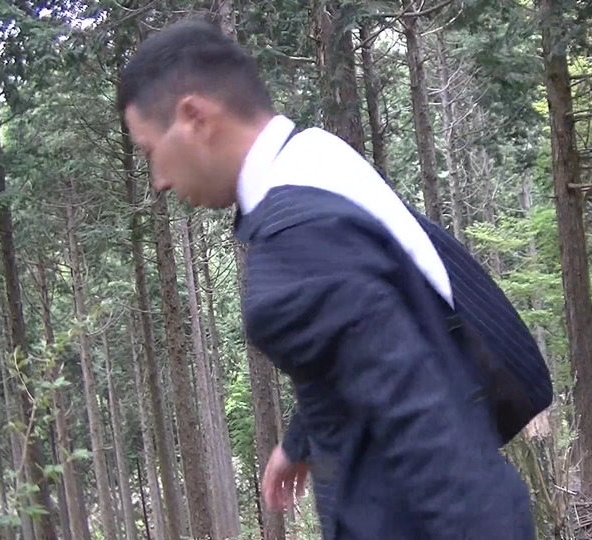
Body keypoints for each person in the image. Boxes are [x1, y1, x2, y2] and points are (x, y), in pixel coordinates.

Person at [118, 19, 537, 540]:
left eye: (151, 151)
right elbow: (375, 336)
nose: (158, 180)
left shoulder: (297, 243)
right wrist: (301, 439)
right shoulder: (315, 158)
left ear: (195, 117)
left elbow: (435, 441)